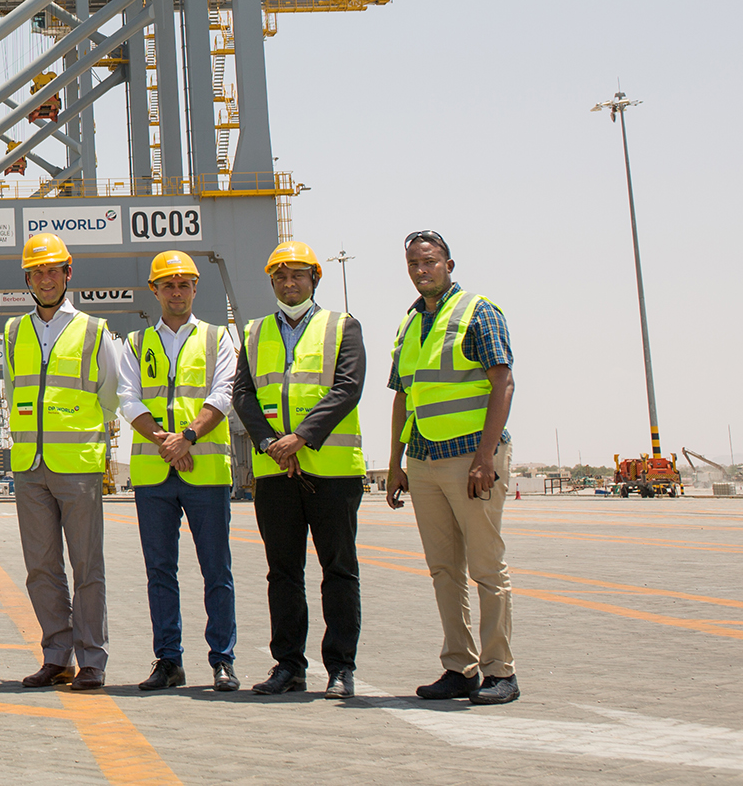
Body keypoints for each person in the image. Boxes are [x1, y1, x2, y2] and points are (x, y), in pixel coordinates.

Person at [385, 231, 519, 706]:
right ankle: (458, 667)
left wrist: (485, 458)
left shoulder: (478, 312)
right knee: (444, 569)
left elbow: (502, 381)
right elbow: (403, 394)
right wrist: (395, 462)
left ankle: (500, 670)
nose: (422, 271)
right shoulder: (408, 323)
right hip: (423, 459)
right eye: (414, 265)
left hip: (470, 459)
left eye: (430, 262)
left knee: (485, 566)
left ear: (449, 264)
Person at [231, 241, 365, 699]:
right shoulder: (253, 332)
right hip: (275, 473)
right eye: (280, 277)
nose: (289, 284)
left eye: (298, 276)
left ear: (315, 279)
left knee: (339, 571)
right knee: (283, 573)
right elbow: (243, 396)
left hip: (332, 471)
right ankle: (289, 665)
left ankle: (341, 667)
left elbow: (348, 387)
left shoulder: (342, 326)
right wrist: (270, 443)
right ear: (271, 282)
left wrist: (301, 437)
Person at [120, 251, 240, 693]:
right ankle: (168, 660)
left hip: (204, 469)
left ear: (195, 288)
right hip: (155, 474)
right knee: (160, 571)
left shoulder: (217, 339)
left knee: (216, 570)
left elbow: (224, 393)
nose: (176, 291)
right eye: (167, 284)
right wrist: (165, 442)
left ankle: (222, 660)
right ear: (154, 290)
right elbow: (128, 399)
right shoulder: (133, 343)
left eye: (183, 284)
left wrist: (185, 437)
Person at [4, 233, 115, 691]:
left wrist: (84, 437)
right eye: (37, 272)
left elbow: (110, 396)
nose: (45, 280)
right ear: (27, 278)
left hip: (78, 466)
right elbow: (12, 391)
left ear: (68, 274)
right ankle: (56, 656)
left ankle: (91, 659)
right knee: (41, 568)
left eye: (53, 271)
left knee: (87, 566)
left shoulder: (94, 330)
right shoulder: (13, 331)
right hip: (30, 465)